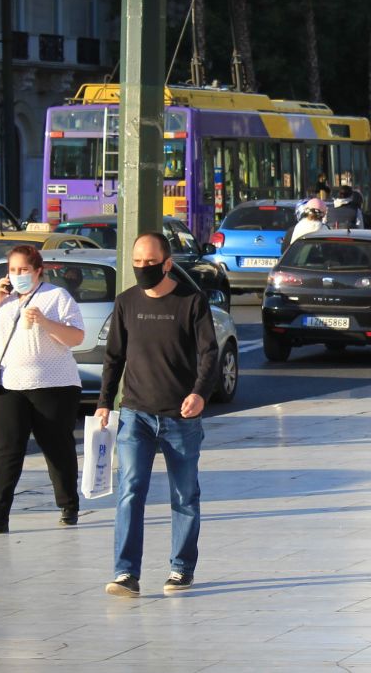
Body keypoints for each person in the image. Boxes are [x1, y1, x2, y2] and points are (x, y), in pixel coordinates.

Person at [97, 233, 219, 597]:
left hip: (181, 418)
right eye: (137, 262)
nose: (143, 268)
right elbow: (113, 357)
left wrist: (200, 393)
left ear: (167, 263)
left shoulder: (191, 301)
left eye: (150, 262)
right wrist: (104, 401)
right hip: (136, 414)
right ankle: (125, 573)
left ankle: (181, 569)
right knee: (130, 492)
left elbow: (209, 354)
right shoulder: (126, 303)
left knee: (184, 495)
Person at [0, 245, 85, 533]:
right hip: (7, 383)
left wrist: (45, 323)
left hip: (53, 384)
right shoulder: (4, 301)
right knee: (6, 450)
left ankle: (68, 504)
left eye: (24, 269)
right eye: (13, 270)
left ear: (38, 271)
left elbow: (76, 337)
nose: (18, 275)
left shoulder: (56, 297)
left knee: (57, 447)